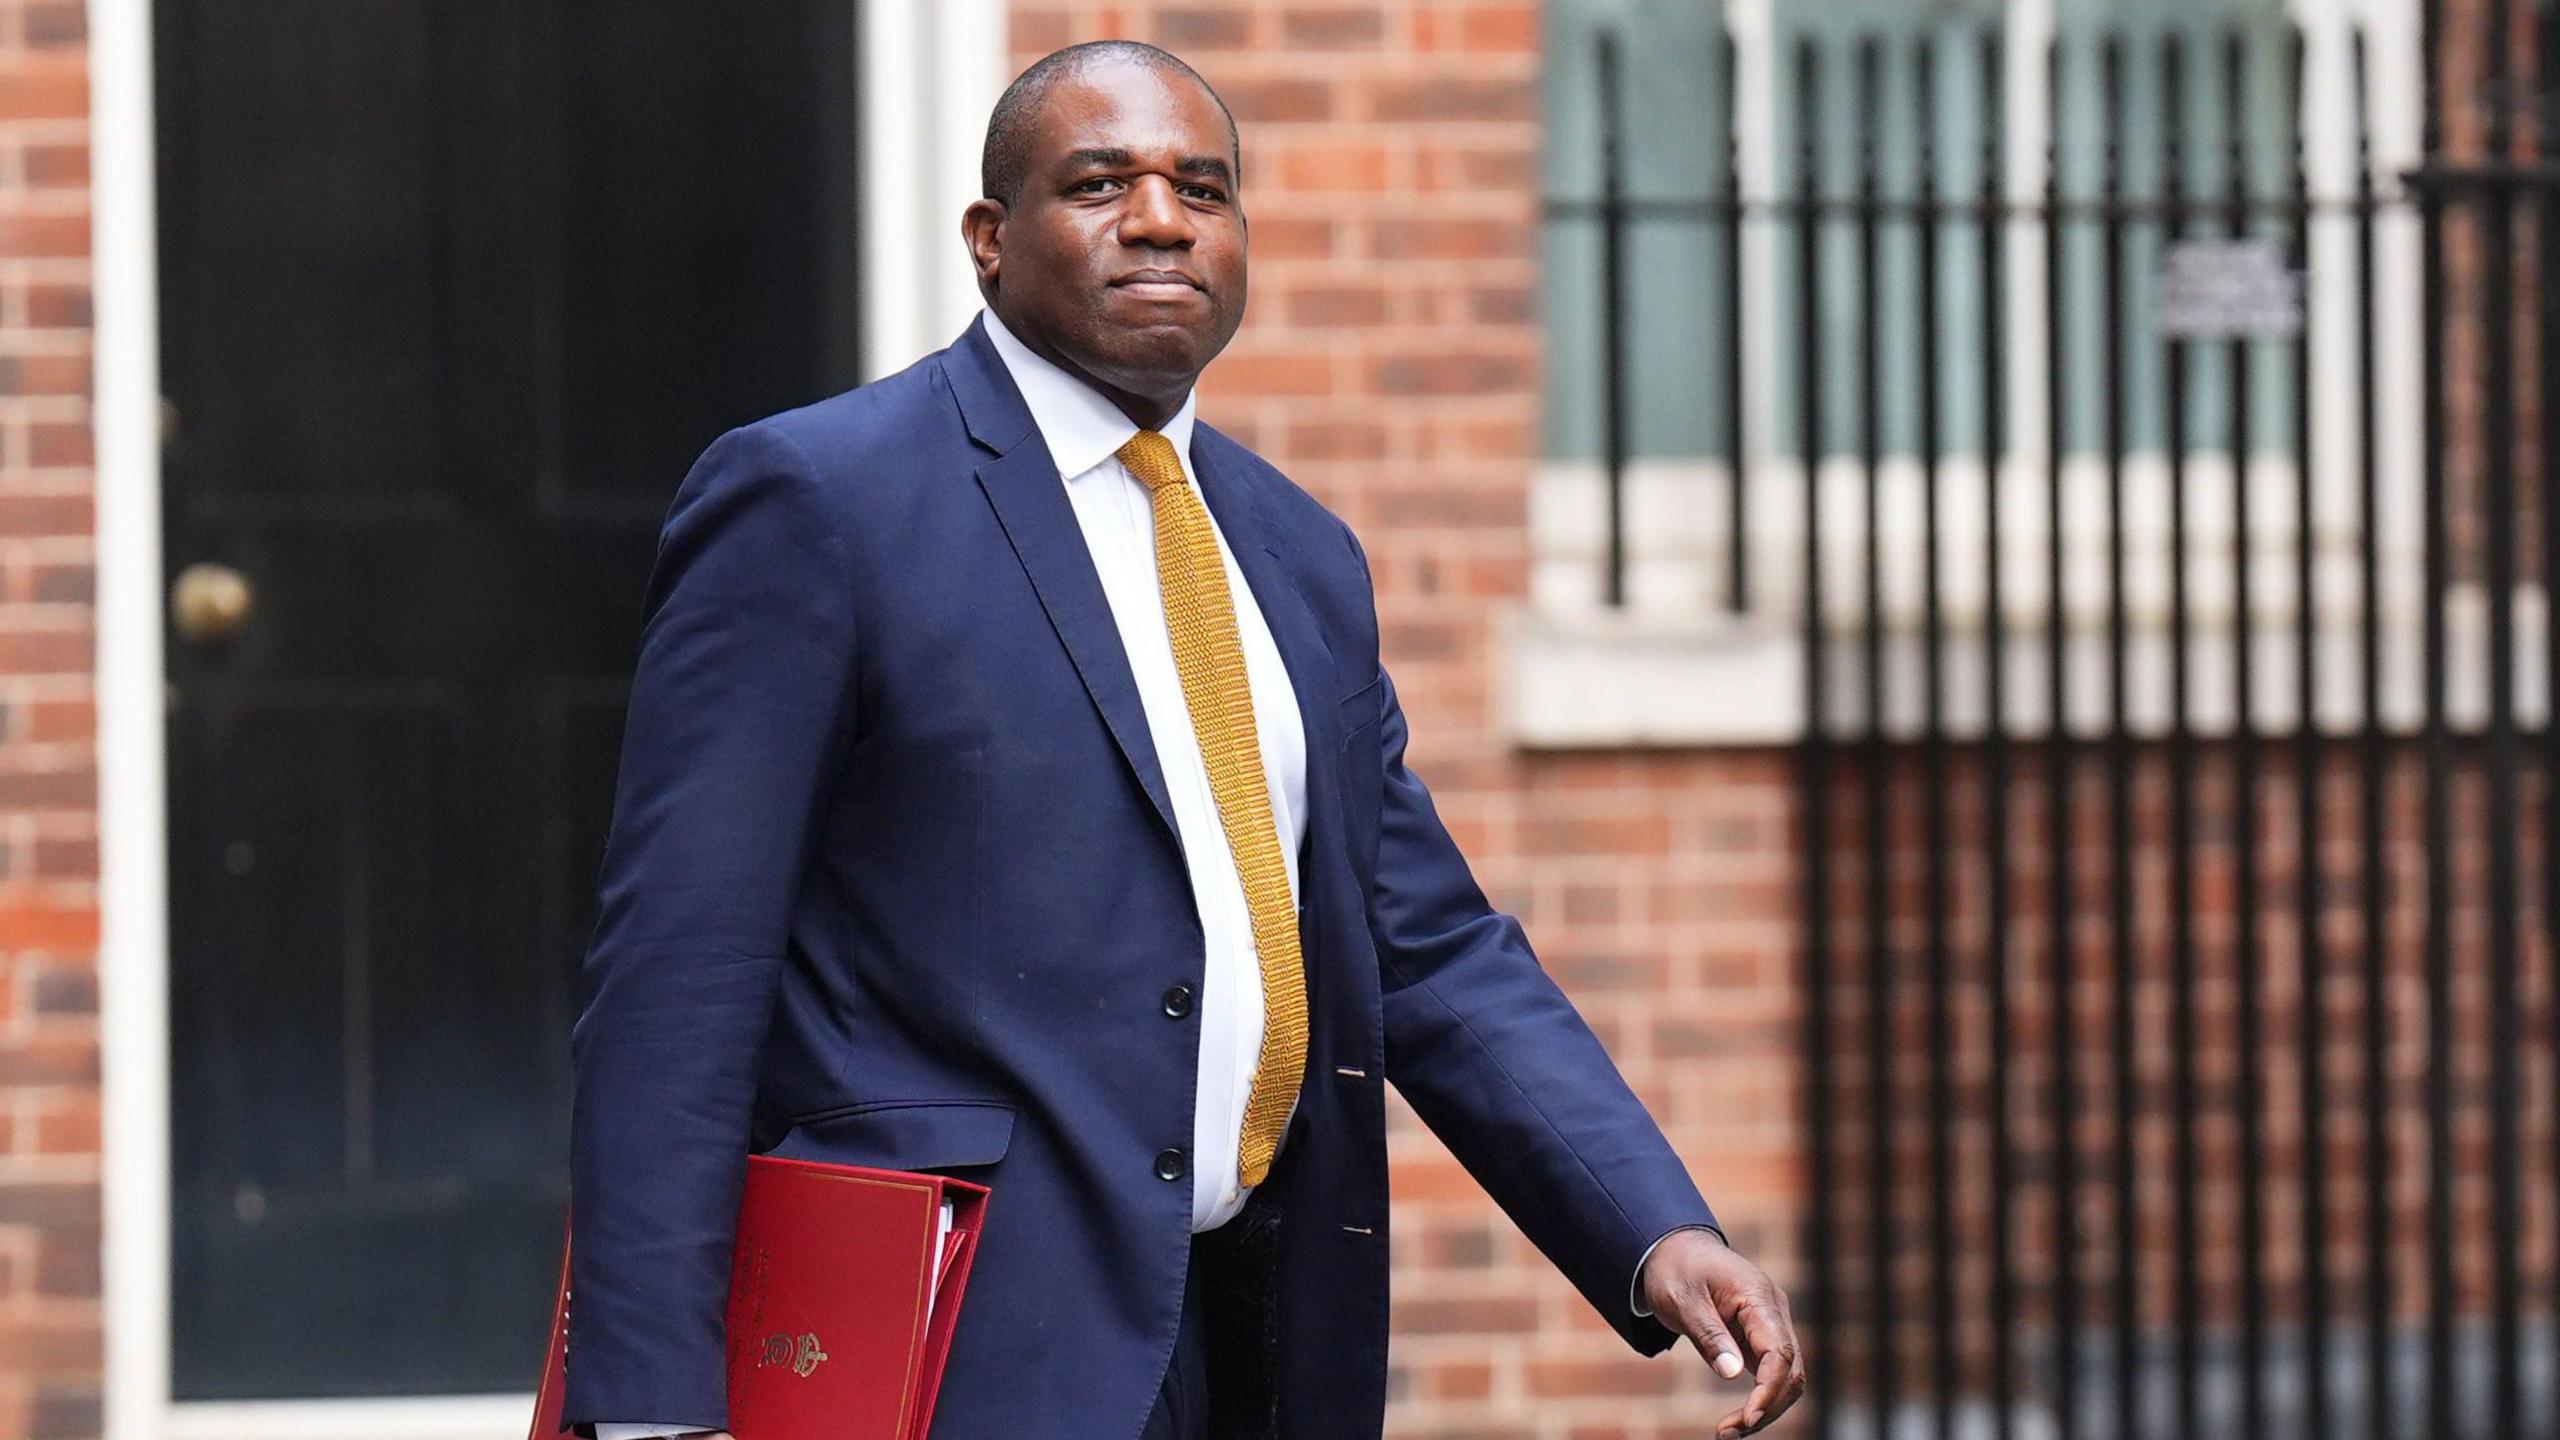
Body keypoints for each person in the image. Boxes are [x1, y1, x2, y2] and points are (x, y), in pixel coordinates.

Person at [558, 38, 1805, 1440]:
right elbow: (684, 969)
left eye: (1201, 189)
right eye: (1099, 183)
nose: (1160, 218)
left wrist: (1648, 1230)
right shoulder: (821, 503)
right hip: (945, 1353)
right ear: (988, 238)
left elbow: (1429, 947)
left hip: (1250, 1345)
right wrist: (650, 1396)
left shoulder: (1298, 556)